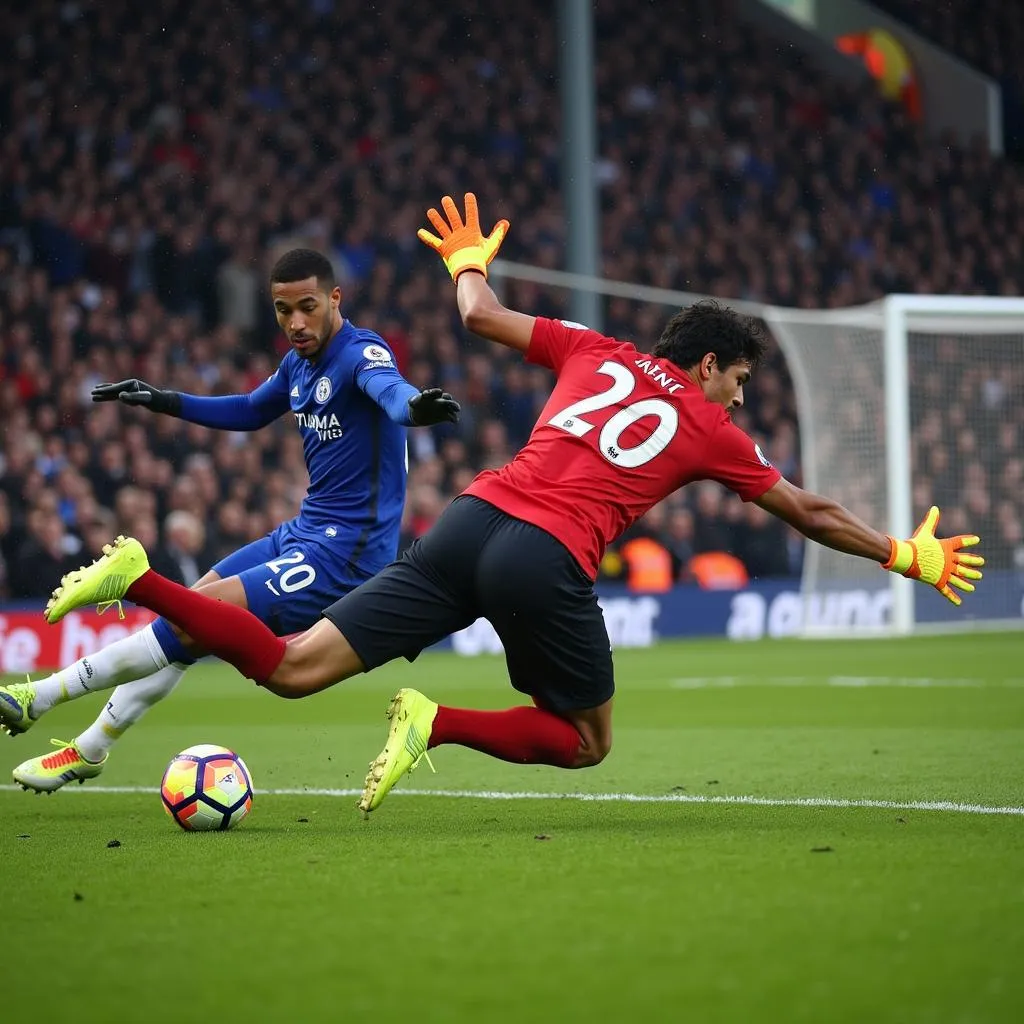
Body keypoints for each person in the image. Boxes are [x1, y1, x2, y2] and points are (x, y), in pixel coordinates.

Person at [36, 195, 985, 817]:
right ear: (707, 366)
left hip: (464, 521)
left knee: (287, 671)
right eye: (735, 379)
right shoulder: (708, 427)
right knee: (585, 741)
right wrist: (907, 556)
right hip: (543, 555)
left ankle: (143, 579)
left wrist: (464, 262)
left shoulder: (595, 347)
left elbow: (481, 316)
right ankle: (434, 722)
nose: (737, 397)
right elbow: (811, 513)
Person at [0, 247, 459, 791]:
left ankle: (40, 696)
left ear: (335, 299)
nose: (295, 322)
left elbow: (392, 393)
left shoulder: (362, 353)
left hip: (346, 557)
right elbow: (249, 409)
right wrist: (164, 400)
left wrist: (414, 410)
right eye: (282, 310)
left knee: (193, 617)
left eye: (307, 307)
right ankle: (92, 748)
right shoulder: (298, 363)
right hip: (302, 532)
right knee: (193, 613)